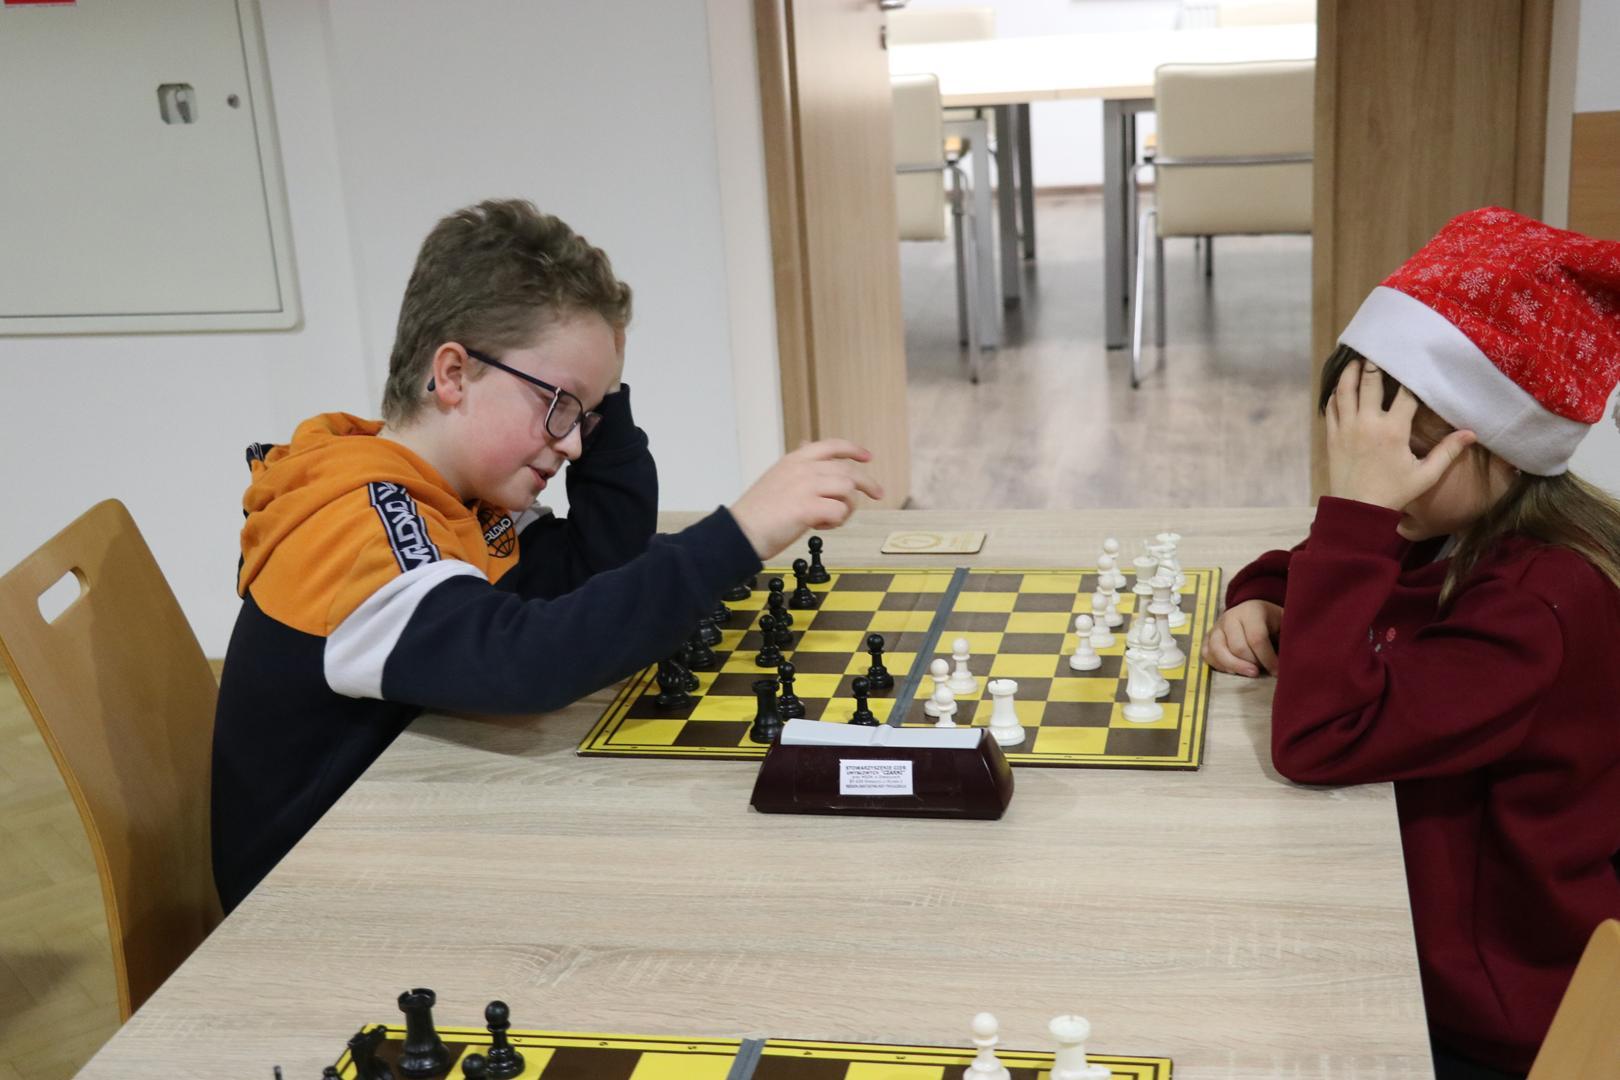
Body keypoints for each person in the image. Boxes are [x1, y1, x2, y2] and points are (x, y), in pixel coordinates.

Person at [211, 198, 882, 912]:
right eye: (558, 404)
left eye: (588, 414)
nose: (574, 444)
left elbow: (594, 563)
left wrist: (602, 386)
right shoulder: (354, 528)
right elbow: (524, 663)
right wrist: (740, 533)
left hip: (402, 841)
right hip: (314, 907)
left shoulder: (456, 499)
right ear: (453, 374)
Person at [1204, 207, 1620, 1079]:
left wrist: (1358, 514)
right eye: (1361, 453)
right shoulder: (1456, 526)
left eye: (1409, 454)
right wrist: (1264, 598)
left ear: (1508, 446)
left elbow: (1320, 739)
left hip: (1488, 1013)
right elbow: (1313, 571)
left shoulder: (1536, 606)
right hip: (1408, 917)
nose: (1378, 482)